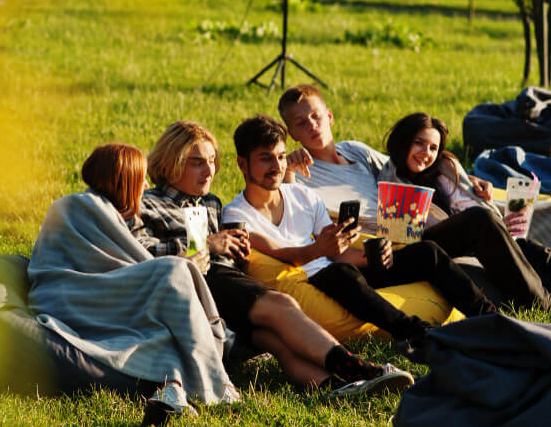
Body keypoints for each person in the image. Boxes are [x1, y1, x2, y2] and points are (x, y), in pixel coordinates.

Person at [276, 85, 551, 315]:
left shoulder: (356, 151)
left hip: (412, 226)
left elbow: (402, 168)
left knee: (521, 244)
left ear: (329, 115)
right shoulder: (300, 172)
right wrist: (289, 171)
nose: (311, 126)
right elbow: (291, 206)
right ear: (291, 133)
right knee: (480, 223)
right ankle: (544, 304)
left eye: (315, 117)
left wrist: (464, 175)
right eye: (300, 123)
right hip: (390, 246)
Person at [129, 121, 414, 399]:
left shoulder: (211, 203)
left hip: (226, 292)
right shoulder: (147, 204)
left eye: (212, 161)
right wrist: (207, 245)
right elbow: (139, 253)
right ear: (171, 163)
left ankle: (334, 387)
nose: (209, 171)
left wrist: (238, 251)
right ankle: (357, 368)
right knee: (280, 304)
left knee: (273, 339)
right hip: (196, 287)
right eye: (197, 163)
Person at [221, 115, 498, 343]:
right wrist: (319, 249)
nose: (277, 166)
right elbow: (281, 253)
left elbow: (338, 252)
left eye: (281, 157)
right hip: (316, 280)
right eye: (266, 158)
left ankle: (490, 318)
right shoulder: (236, 215)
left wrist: (370, 257)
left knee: (427, 252)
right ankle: (414, 333)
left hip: (340, 270)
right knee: (340, 273)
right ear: (242, 164)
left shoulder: (302, 196)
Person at [27, 143, 238, 427]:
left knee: (162, 331)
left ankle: (173, 391)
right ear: (123, 181)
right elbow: (129, 262)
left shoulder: (105, 209)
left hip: (99, 294)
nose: (146, 186)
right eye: (140, 180)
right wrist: (177, 267)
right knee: (174, 272)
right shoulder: (82, 206)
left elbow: (121, 261)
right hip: (71, 298)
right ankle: (214, 387)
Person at [382, 113, 551, 288]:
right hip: (473, 239)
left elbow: (462, 190)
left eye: (433, 147)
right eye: (419, 143)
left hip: (495, 217)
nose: (426, 153)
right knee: (528, 249)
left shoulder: (444, 166)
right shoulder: (392, 180)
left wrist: (476, 183)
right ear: (404, 140)